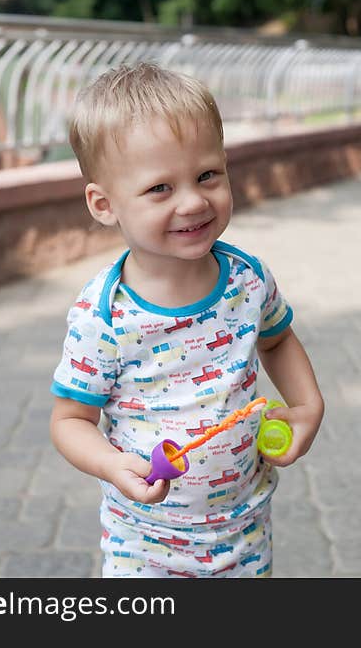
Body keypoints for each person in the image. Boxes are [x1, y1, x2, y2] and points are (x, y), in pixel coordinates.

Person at [49, 62, 324, 578]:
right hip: (145, 545)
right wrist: (111, 465)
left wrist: (309, 404)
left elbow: (278, 340)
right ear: (104, 204)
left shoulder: (246, 278)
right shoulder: (103, 316)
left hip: (244, 528)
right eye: (160, 189)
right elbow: (69, 422)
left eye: (207, 175)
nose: (194, 201)